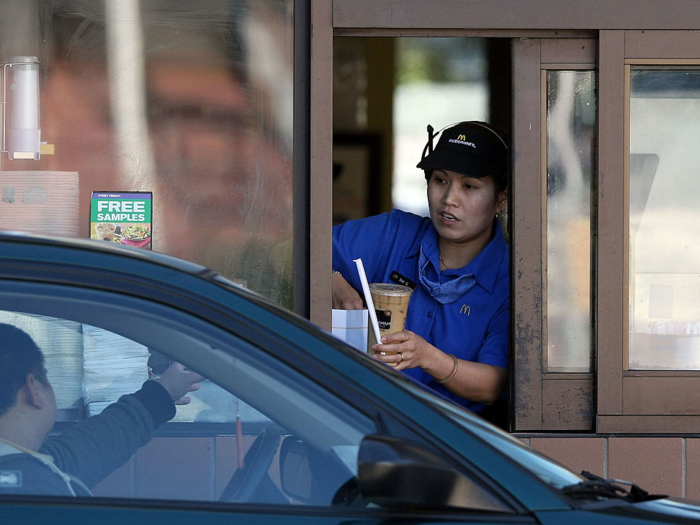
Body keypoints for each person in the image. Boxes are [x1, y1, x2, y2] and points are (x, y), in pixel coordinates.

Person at [332, 121, 509, 415]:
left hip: (449, 439)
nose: (449, 199)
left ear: (500, 198)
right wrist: (332, 280)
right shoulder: (394, 233)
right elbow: (288, 249)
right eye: (440, 180)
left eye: (469, 186)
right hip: (361, 418)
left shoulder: (512, 279)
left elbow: (493, 384)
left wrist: (426, 356)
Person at [0, 324, 204, 496]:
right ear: (33, 390)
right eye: (47, 376)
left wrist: (162, 394)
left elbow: (79, 453)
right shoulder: (34, 491)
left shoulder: (26, 468)